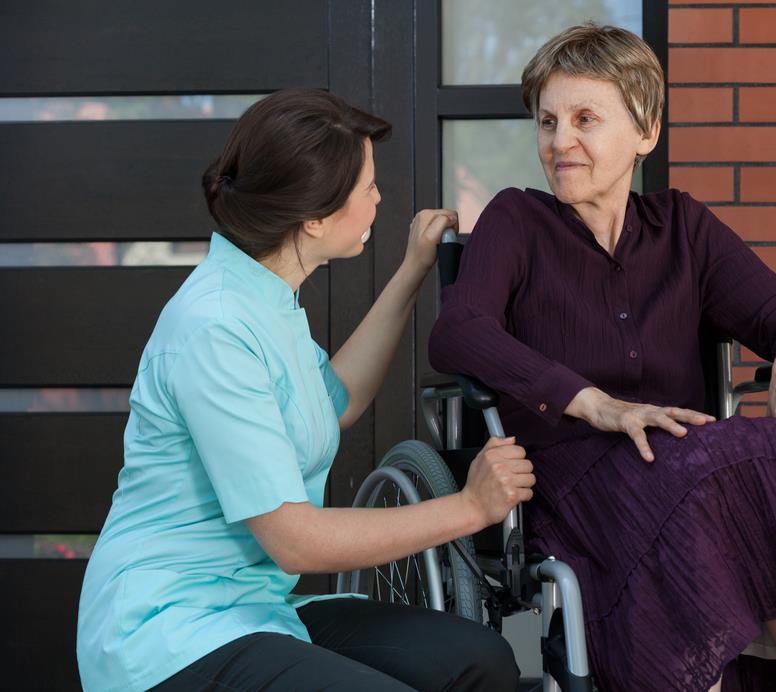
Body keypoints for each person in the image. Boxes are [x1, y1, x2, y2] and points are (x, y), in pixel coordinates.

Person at [429, 24, 776, 692]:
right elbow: (457, 330)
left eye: (584, 119)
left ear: (645, 132)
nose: (558, 141)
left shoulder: (683, 229)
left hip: (698, 473)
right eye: (547, 122)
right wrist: (590, 401)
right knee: (744, 460)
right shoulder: (517, 222)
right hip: (582, 487)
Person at [76, 88, 531, 692]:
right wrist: (469, 508)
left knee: (481, 660)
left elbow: (338, 399)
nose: (379, 198)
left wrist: (413, 270)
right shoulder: (215, 328)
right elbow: (295, 541)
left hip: (253, 609)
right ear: (313, 217)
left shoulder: (266, 298)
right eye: (368, 187)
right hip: (168, 631)